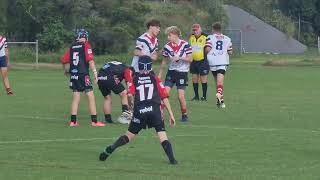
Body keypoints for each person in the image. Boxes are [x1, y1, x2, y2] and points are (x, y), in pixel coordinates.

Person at [99, 56, 178, 165]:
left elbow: (130, 95)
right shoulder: (155, 79)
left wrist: (132, 107)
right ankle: (172, 160)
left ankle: (110, 148)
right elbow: (164, 97)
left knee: (128, 136)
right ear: (150, 67)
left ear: (139, 66)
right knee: (162, 136)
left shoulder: (134, 79)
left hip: (140, 111)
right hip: (154, 110)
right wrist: (171, 115)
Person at [61, 29, 105, 127]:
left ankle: (73, 121)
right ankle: (94, 121)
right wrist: (95, 73)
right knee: (90, 96)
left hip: (74, 75)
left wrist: (66, 71)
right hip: (83, 74)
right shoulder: (86, 45)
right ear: (85, 37)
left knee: (75, 97)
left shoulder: (72, 46)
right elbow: (90, 60)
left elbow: (64, 60)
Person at [159, 26, 192, 122]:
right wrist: (160, 74)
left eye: (169, 35)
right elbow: (164, 61)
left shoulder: (185, 45)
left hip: (182, 73)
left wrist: (180, 58)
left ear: (175, 35)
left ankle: (184, 114)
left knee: (180, 96)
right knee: (164, 94)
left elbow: (190, 59)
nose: (168, 38)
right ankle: (160, 115)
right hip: (171, 72)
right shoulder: (167, 47)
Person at [205, 23, 233, 108]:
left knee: (217, 83)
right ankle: (219, 95)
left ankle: (220, 101)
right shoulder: (227, 39)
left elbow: (207, 49)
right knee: (220, 83)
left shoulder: (209, 37)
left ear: (213, 29)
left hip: (212, 62)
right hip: (222, 61)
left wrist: (205, 52)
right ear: (221, 29)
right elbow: (230, 52)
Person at [189, 24, 209, 101]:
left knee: (203, 79)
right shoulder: (191, 37)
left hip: (202, 61)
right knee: (194, 79)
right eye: (194, 30)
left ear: (200, 29)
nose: (195, 31)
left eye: (196, 29)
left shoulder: (206, 37)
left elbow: (209, 48)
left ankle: (204, 96)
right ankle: (196, 96)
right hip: (193, 61)